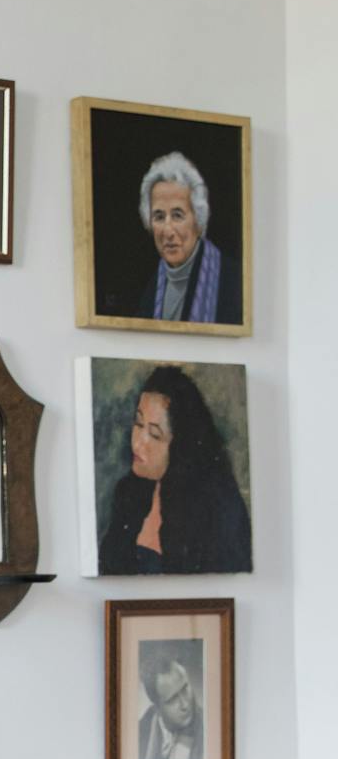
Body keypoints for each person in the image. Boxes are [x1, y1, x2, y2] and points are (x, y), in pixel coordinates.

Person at [96, 365, 251, 575]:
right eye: (138, 423)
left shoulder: (217, 508)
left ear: (181, 446)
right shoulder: (128, 492)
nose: (137, 444)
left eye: (155, 434)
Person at [124, 151, 242, 326]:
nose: (168, 230)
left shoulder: (234, 282)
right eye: (159, 216)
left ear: (198, 220)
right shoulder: (151, 287)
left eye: (177, 215)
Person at [137, 656, 203, 759]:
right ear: (157, 707)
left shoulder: (209, 730)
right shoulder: (142, 729)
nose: (185, 704)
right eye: (173, 699)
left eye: (185, 688)